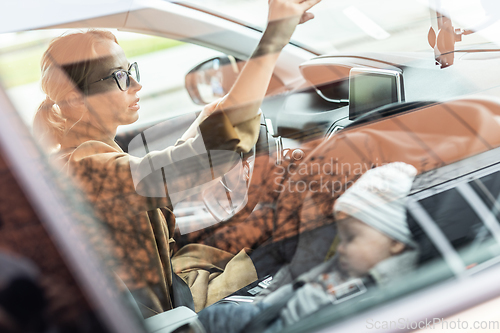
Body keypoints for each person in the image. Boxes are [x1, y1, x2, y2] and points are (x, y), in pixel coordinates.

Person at [31, 0, 322, 317]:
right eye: (119, 77)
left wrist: (213, 115)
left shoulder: (89, 154)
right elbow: (208, 155)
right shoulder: (85, 167)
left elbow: (176, 160)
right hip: (177, 309)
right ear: (75, 99)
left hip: (180, 281)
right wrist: (275, 35)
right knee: (309, 235)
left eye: (131, 71)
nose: (136, 84)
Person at [186, 162, 420, 333]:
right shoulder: (344, 264)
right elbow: (289, 285)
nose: (342, 249)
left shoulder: (385, 292)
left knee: (216, 317)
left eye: (351, 239)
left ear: (396, 242)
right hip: (272, 313)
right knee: (215, 317)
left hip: (285, 323)